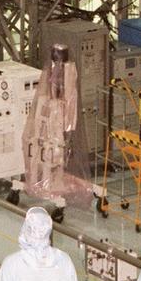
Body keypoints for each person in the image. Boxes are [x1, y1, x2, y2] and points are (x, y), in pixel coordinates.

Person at [23, 43, 91, 207]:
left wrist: (67, 131)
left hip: (60, 120)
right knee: (42, 151)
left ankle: (51, 182)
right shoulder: (48, 76)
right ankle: (40, 182)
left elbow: (70, 104)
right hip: (49, 119)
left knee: (55, 155)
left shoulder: (69, 71)